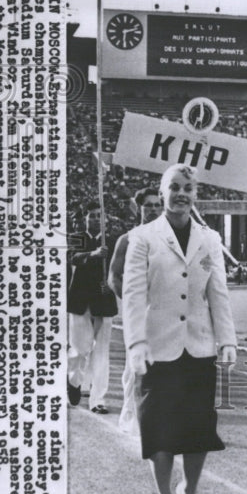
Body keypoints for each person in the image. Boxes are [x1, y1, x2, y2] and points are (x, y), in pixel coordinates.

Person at [122, 163, 238, 494]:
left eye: (189, 188)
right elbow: (133, 294)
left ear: (196, 194)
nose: (182, 194)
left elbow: (217, 293)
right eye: (175, 187)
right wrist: (136, 343)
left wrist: (228, 339)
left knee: (198, 430)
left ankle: (190, 492)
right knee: (158, 430)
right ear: (162, 191)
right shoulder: (143, 237)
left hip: (199, 348)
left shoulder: (210, 239)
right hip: (157, 349)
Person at [107, 186, 162, 434]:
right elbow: (114, 277)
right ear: (137, 208)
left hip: (165, 313)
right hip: (138, 313)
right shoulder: (127, 239)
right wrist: (131, 302)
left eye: (156, 204)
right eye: (147, 205)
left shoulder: (170, 239)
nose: (152, 209)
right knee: (135, 369)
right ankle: (131, 420)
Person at [67, 205, 118, 413]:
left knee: (101, 352)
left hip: (104, 300)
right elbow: (72, 257)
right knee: (80, 348)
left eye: (99, 216)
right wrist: (93, 254)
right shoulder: (77, 237)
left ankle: (98, 400)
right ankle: (74, 380)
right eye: (92, 216)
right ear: (85, 219)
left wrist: (111, 283)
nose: (96, 219)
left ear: (105, 220)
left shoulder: (112, 241)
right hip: (80, 300)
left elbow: (119, 267)